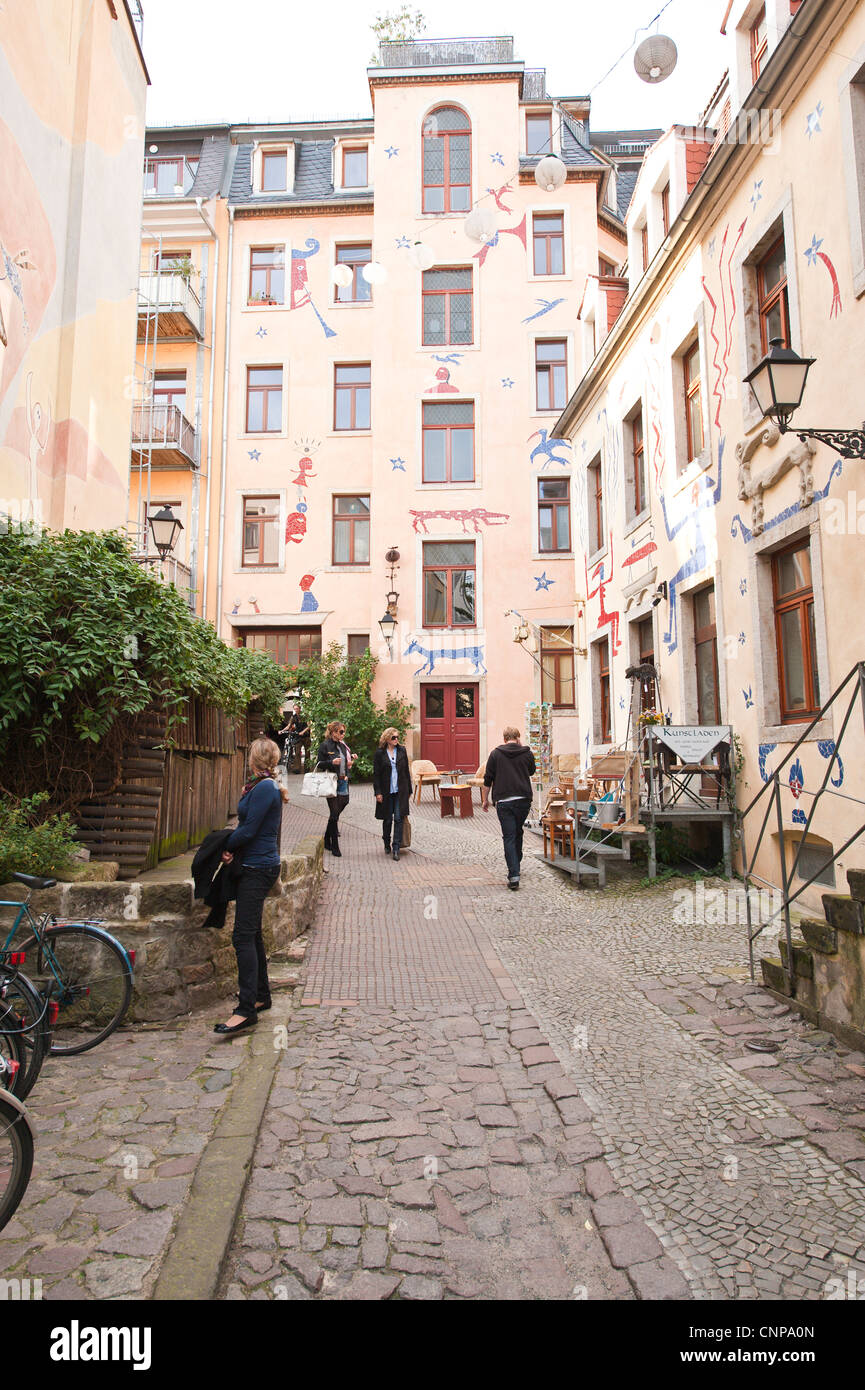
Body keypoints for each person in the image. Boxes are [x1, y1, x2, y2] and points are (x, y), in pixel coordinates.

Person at [214, 737, 288, 1035]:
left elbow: (249, 829)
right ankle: (260, 996)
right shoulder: (262, 786)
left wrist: (224, 844)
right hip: (256, 864)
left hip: (258, 868)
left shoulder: (265, 788)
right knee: (253, 934)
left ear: (255, 758)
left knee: (242, 936)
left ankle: (246, 1010)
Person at [481, 726, 536, 891]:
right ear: (518, 738)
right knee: (517, 831)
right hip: (523, 799)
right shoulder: (526, 752)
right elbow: (532, 771)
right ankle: (516, 862)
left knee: (509, 836)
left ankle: (514, 874)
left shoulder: (495, 754)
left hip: (504, 801)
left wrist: (484, 800)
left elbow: (487, 779)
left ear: (504, 739)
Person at [373, 727, 412, 861]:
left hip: (400, 790)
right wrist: (377, 792)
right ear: (387, 739)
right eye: (393, 737)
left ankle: (396, 847)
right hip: (386, 791)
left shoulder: (402, 750)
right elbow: (376, 774)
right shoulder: (379, 753)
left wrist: (409, 790)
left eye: (397, 737)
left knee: (399, 818)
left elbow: (406, 771)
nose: (396, 740)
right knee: (388, 818)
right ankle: (386, 842)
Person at [316, 719, 353, 857]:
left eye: (344, 732)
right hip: (331, 781)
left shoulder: (342, 746)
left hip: (343, 780)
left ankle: (326, 836)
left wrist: (348, 768)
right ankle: (334, 845)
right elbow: (320, 763)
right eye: (341, 732)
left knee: (343, 803)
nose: (343, 734)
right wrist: (331, 762)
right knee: (334, 812)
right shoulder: (325, 746)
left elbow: (345, 762)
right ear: (333, 732)